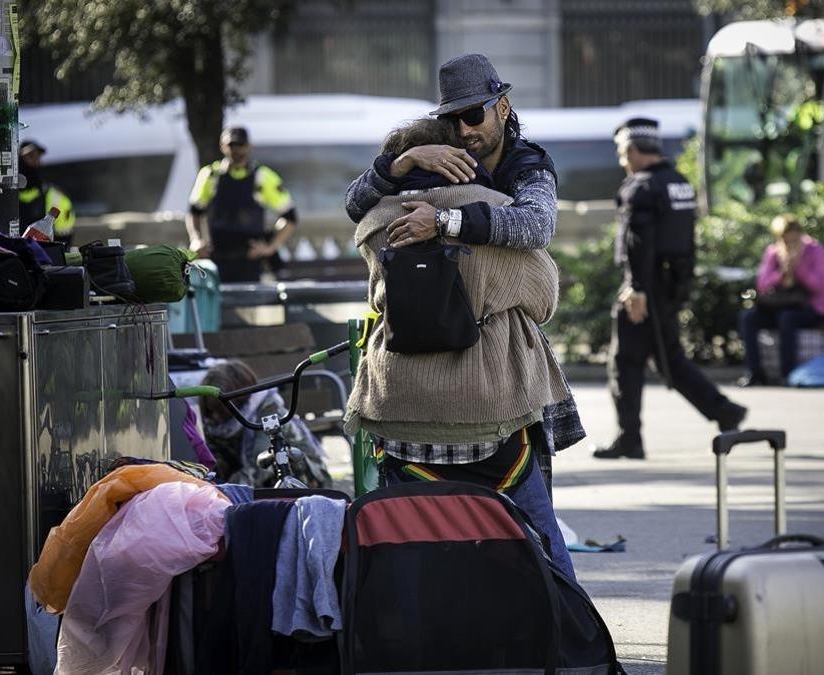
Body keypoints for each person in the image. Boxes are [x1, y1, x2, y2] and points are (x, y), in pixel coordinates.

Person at [344, 116, 576, 580]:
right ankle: (573, 631)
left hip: (397, 409)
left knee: (408, 536)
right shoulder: (491, 210)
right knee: (539, 533)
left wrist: (400, 165)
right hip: (487, 414)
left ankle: (413, 628)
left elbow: (354, 200)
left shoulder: (375, 223)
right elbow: (543, 298)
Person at [344, 52, 585, 484]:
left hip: (494, 358)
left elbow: (536, 226)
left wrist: (441, 222)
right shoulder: (440, 164)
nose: (465, 130)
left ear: (503, 108)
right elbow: (353, 203)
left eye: (474, 115)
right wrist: (401, 164)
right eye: (454, 120)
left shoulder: (527, 165)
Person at [593, 118, 747, 460]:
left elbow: (639, 242)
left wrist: (636, 289)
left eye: (622, 153)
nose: (622, 161)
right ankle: (724, 411)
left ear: (633, 150)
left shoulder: (640, 187)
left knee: (625, 362)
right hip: (670, 287)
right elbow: (687, 243)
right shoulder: (679, 184)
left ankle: (630, 438)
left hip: (644, 289)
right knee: (668, 360)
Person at [738, 214, 824, 386]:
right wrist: (782, 273)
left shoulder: (815, 250)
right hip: (780, 305)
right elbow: (763, 284)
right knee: (748, 318)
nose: (790, 244)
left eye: (794, 240)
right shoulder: (773, 252)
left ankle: (787, 373)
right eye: (786, 241)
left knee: (787, 318)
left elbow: (820, 286)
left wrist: (798, 267)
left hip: (811, 307)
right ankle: (755, 373)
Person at [185, 126, 297, 282]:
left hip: (250, 261)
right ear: (222, 146)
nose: (236, 150)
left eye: (240, 145)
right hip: (215, 258)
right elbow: (194, 211)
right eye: (231, 145)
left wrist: (269, 247)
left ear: (249, 147)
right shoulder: (210, 175)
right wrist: (195, 239)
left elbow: (290, 217)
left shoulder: (263, 176)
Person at [198, 359, 332, 488]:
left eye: (219, 410)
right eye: (210, 411)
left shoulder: (269, 415)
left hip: (306, 480)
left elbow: (258, 470)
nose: (214, 417)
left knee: (277, 460)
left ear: (237, 401)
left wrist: (217, 491)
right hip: (250, 480)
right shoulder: (217, 425)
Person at [18, 139, 76, 244]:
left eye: (37, 157)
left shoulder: (57, 197)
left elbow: (64, 241)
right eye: (30, 157)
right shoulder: (1, 195)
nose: (35, 162)